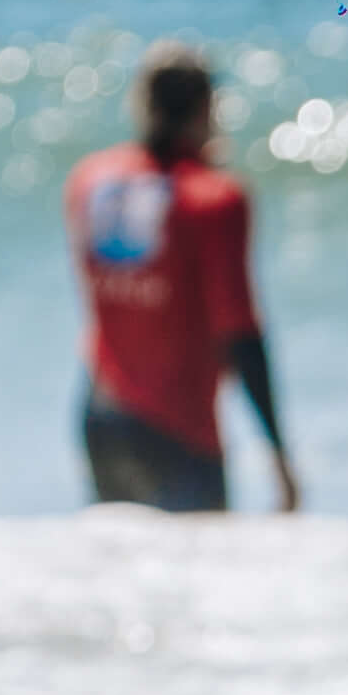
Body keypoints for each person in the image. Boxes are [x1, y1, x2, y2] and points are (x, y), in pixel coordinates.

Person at [68, 43, 299, 514]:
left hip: (101, 413)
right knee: (199, 581)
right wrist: (278, 453)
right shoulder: (215, 199)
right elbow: (239, 331)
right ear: (207, 108)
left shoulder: (90, 182)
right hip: (178, 425)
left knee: (118, 571)